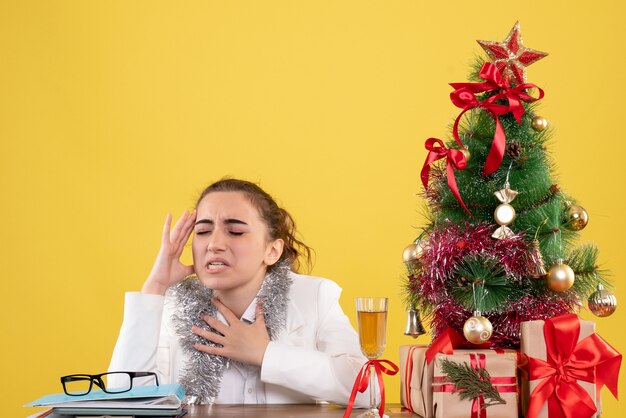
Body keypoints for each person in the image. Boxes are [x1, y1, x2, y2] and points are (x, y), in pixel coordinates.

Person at [108, 178, 370, 405]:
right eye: (202, 231)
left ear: (272, 251)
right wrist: (154, 287)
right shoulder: (170, 306)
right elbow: (122, 402)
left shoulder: (314, 297)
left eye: (235, 231)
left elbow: (369, 390)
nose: (214, 244)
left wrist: (264, 353)